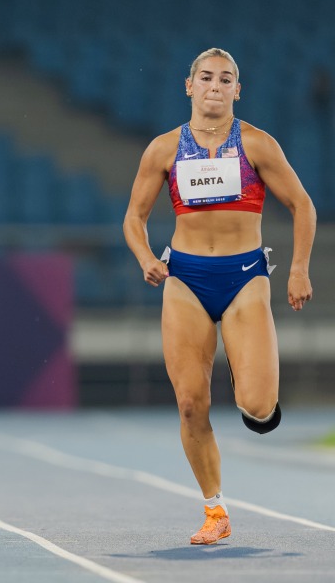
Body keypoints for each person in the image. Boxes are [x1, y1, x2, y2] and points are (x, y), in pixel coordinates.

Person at [123, 48, 315, 545]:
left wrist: (297, 269)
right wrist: (146, 257)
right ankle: (214, 509)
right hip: (185, 277)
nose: (214, 85)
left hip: (244, 274)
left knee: (257, 408)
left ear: (237, 89)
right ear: (189, 86)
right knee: (190, 404)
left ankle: (246, 373)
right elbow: (134, 218)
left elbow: (303, 206)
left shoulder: (256, 144)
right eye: (205, 77)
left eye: (225, 79)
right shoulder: (164, 149)